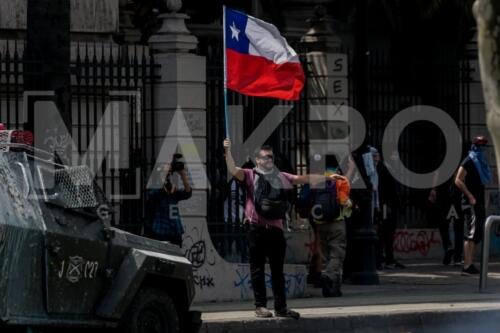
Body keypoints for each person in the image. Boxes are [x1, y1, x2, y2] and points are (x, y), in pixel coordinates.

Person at [223, 138, 343, 319]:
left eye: (270, 157)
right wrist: (228, 151)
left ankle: (281, 307)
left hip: (276, 230)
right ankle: (260, 306)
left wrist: (327, 177)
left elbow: (302, 179)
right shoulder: (249, 175)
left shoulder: (280, 176)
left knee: (277, 270)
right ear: (257, 160)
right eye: (265, 157)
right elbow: (232, 169)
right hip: (256, 229)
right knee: (257, 269)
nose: (269, 160)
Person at [298, 166, 351, 297]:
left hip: (320, 223)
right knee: (337, 254)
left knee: (326, 255)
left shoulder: (315, 181)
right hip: (336, 222)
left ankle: (333, 289)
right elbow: (345, 202)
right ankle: (329, 276)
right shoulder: (339, 180)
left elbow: (305, 200)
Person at [455, 136, 491, 275]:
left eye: (484, 145)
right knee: (470, 234)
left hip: (479, 202)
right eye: (480, 145)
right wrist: (469, 196)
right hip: (471, 203)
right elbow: (458, 180)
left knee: (476, 235)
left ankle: (470, 264)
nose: (482, 148)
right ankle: (466, 265)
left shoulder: (481, 162)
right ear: (474, 146)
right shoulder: (469, 160)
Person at [145, 155, 192, 247]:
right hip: (161, 230)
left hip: (175, 230)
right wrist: (163, 174)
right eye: (167, 163)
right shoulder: (155, 185)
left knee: (178, 258)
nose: (170, 166)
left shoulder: (172, 186)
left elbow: (187, 194)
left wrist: (183, 174)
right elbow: (154, 194)